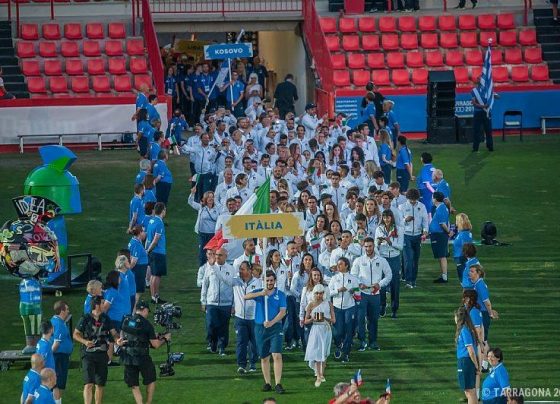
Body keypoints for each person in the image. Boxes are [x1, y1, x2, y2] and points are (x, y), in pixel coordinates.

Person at [244, 270, 287, 394]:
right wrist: (260, 294)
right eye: (267, 280)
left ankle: (278, 384)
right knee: (264, 357)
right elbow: (245, 297)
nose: (269, 283)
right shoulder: (260, 292)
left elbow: (282, 312)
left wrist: (272, 322)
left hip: (275, 328)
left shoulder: (280, 294)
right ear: (264, 281)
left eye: (271, 280)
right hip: (260, 328)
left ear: (275, 281)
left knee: (277, 355)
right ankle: (267, 383)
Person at [119, 301, 171, 404]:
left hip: (128, 357)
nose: (147, 313)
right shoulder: (147, 324)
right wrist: (165, 339)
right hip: (142, 358)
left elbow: (123, 335)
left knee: (134, 384)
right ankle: (148, 402)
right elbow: (155, 345)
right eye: (147, 311)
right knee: (151, 380)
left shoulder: (126, 320)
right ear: (144, 310)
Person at [217, 260, 262, 373]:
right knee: (241, 341)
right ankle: (241, 365)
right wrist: (214, 266)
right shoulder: (236, 281)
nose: (240, 271)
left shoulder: (258, 283)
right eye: (240, 269)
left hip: (254, 318)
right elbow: (223, 278)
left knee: (254, 342)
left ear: (249, 270)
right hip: (240, 317)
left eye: (242, 269)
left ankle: (253, 363)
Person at [74, 295, 119, 404]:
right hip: (88, 355)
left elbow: (114, 333)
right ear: (97, 305)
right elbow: (75, 334)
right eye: (103, 303)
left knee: (100, 384)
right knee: (88, 384)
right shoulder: (85, 318)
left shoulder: (106, 318)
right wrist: (85, 342)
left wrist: (118, 340)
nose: (105, 304)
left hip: (102, 354)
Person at [351, 237, 392, 351]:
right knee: (360, 318)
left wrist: (380, 284)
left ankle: (373, 342)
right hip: (362, 294)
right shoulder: (359, 260)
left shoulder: (381, 260)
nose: (368, 249)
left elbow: (389, 275)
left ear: (373, 246)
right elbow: (353, 275)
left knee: (373, 319)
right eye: (366, 247)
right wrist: (359, 284)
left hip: (375, 294)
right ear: (363, 247)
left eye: (370, 246)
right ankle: (362, 341)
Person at [200, 248, 234, 356]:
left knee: (224, 326)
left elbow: (234, 287)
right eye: (216, 255)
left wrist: (233, 304)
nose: (217, 257)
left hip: (226, 303)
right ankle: (212, 342)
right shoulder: (209, 268)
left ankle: (222, 347)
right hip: (211, 302)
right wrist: (203, 301)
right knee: (211, 324)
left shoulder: (231, 269)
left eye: (220, 255)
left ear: (226, 257)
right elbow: (205, 285)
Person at [328, 257, 360, 363]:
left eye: (340, 264)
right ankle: (339, 345)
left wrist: (353, 291)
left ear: (346, 265)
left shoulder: (353, 279)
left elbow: (358, 292)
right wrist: (338, 290)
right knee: (337, 332)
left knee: (348, 330)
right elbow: (329, 293)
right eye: (338, 264)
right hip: (337, 308)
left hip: (349, 307)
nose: (338, 266)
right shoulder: (334, 278)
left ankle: (346, 353)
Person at [469, 264, 499, 372]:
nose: (469, 273)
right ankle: (484, 364)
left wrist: (490, 313)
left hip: (483, 314)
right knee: (482, 339)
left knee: (483, 340)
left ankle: (485, 365)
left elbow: (487, 302)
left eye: (472, 271)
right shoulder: (477, 284)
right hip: (482, 313)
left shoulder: (480, 285)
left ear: (478, 273)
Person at [303, 284, 335, 387]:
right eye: (317, 293)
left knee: (324, 353)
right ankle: (318, 375)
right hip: (316, 330)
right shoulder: (310, 305)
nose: (319, 295)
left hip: (326, 329)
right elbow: (305, 321)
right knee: (317, 352)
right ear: (314, 293)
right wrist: (312, 319)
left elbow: (333, 320)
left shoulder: (329, 304)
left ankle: (322, 374)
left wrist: (324, 318)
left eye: (321, 293)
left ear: (323, 294)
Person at [375, 210, 403, 318]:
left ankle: (394, 308)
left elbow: (400, 247)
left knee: (395, 284)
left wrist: (391, 242)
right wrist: (378, 243)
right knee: (381, 284)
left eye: (388, 217)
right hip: (383, 258)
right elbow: (375, 246)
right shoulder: (379, 229)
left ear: (392, 217)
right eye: (384, 217)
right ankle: (382, 306)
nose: (386, 219)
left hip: (395, 258)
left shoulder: (398, 229)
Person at [399, 188, 428, 288]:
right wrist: (405, 220)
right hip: (406, 236)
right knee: (408, 259)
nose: (413, 201)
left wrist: (425, 231)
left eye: (414, 199)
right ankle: (408, 281)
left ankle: (413, 280)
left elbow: (425, 221)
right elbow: (398, 222)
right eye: (411, 199)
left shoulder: (422, 206)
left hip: (417, 236)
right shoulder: (402, 207)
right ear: (408, 198)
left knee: (415, 259)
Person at [188, 188, 220, 266]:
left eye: (212, 197)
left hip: (213, 235)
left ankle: (213, 268)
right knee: (202, 254)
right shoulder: (201, 207)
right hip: (203, 234)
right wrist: (192, 193)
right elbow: (190, 202)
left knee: (213, 252)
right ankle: (202, 268)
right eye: (209, 197)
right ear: (205, 198)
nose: (211, 199)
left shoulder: (217, 208)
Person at [455, 306, 480, 404]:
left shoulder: (464, 330)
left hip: (465, 362)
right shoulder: (467, 329)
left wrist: (476, 366)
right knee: (470, 391)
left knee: (470, 392)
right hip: (466, 362)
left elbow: (471, 351)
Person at [50, 301, 73, 403]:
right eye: (67, 309)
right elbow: (56, 344)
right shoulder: (59, 324)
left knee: (58, 383)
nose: (68, 311)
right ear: (62, 311)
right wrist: (49, 356)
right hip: (59, 357)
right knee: (57, 384)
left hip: (60, 356)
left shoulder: (56, 321)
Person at [146, 202, 167, 304]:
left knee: (153, 275)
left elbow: (148, 238)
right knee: (156, 275)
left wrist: (147, 249)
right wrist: (149, 250)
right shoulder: (159, 223)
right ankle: (156, 297)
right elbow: (155, 239)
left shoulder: (151, 220)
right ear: (163, 211)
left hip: (152, 252)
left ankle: (153, 297)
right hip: (158, 252)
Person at [430, 192, 451, 284]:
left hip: (439, 235)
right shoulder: (441, 207)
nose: (431, 199)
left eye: (432, 198)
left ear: (435, 199)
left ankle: (444, 277)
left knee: (442, 256)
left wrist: (448, 232)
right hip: (439, 235)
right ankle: (443, 276)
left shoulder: (441, 208)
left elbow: (443, 224)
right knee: (441, 256)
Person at [19, 277, 42, 354]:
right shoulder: (24, 282)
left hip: (34, 307)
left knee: (35, 326)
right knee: (28, 326)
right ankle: (30, 345)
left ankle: (35, 345)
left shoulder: (35, 282)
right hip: (25, 307)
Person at [471, 76, 494, 152]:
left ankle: (490, 146)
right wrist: (483, 106)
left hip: (486, 112)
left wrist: (493, 96)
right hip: (478, 113)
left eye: (480, 79)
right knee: (476, 131)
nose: (479, 80)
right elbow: (474, 103)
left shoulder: (488, 90)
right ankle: (475, 148)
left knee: (488, 130)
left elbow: (493, 99)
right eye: (478, 79)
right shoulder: (474, 91)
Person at [128, 225, 149, 306]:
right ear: (140, 233)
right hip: (138, 271)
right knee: (138, 292)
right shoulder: (136, 244)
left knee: (136, 292)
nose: (145, 233)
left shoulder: (133, 241)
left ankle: (132, 309)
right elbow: (133, 261)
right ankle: (132, 310)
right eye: (143, 231)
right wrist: (127, 271)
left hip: (138, 270)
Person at [453, 213, 473, 281]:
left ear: (460, 222)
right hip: (460, 258)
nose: (455, 222)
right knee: (463, 280)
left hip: (462, 259)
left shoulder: (464, 234)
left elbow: (466, 248)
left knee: (464, 280)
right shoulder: (462, 233)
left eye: (456, 220)